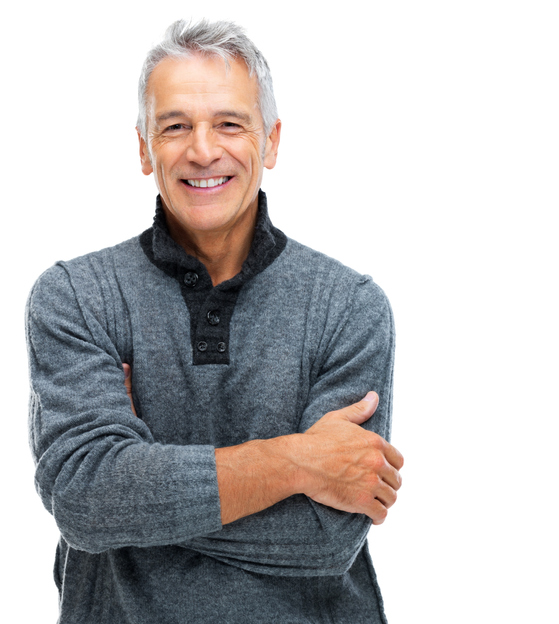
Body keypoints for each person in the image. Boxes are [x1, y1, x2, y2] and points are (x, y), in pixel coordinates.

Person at [26, 19, 404, 624]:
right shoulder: (76, 296)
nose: (203, 150)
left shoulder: (349, 306)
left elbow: (327, 536)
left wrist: (138, 490)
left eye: (230, 123)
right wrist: (299, 462)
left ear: (272, 141)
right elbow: (85, 498)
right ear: (144, 148)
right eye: (175, 126)